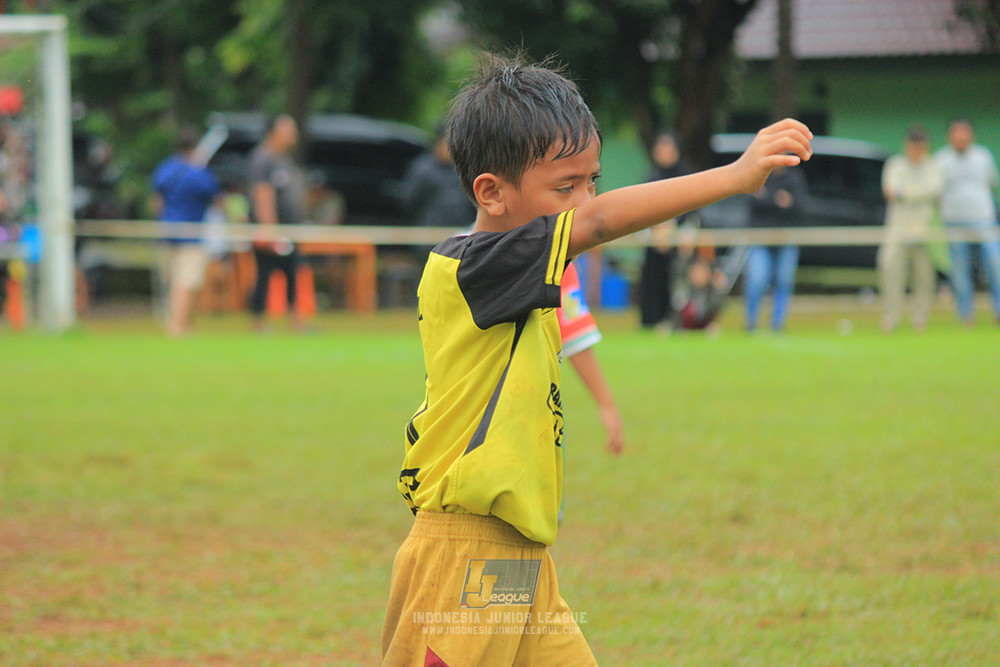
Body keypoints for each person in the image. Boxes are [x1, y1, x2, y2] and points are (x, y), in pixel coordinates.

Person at [380, 51, 812, 666]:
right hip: (466, 553)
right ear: (491, 192)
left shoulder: (524, 276)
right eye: (566, 188)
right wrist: (734, 177)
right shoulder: (475, 265)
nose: (584, 200)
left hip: (521, 557)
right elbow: (602, 222)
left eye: (591, 182)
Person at [151, 124, 221, 336]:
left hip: (166, 232)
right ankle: (177, 326)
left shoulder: (165, 168)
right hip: (191, 235)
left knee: (171, 282)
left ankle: (182, 323)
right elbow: (218, 199)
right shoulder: (199, 172)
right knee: (186, 282)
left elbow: (156, 203)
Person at [878, 126, 945, 332]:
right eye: (913, 145)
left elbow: (935, 190)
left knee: (925, 279)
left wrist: (905, 192)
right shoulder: (895, 164)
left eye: (920, 145)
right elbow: (890, 192)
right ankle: (891, 318)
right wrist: (916, 192)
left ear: (926, 146)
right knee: (890, 272)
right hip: (897, 232)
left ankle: (920, 319)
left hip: (924, 233)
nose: (916, 149)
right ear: (907, 145)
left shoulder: (934, 166)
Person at [935, 118, 1000, 325]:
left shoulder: (983, 156)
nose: (961, 138)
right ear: (950, 136)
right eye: (957, 134)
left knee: (995, 266)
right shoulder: (941, 159)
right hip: (954, 222)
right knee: (960, 272)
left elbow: (992, 185)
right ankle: (966, 316)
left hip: (983, 221)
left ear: (971, 136)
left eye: (965, 134)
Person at [248, 114, 308, 332]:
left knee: (293, 273)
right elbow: (262, 195)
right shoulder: (262, 159)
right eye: (289, 130)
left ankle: (296, 320)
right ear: (274, 132)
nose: (294, 135)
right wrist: (269, 231)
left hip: (290, 230)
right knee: (264, 274)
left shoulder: (284, 159)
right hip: (272, 231)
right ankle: (259, 322)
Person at [558, 261, 625, 456]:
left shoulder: (465, 245)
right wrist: (606, 404)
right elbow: (575, 335)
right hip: (526, 411)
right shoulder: (551, 255)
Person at [742, 164, 808, 332]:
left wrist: (766, 197)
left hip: (786, 239)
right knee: (757, 281)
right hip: (760, 239)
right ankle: (751, 324)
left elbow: (799, 205)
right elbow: (752, 201)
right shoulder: (758, 173)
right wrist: (777, 199)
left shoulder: (794, 177)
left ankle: (778, 325)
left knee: (783, 282)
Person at [401, 123, 478, 262]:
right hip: (428, 240)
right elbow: (409, 201)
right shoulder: (422, 169)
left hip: (461, 238)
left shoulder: (464, 169)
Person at [638, 130, 691, 329]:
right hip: (654, 240)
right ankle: (650, 320)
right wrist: (657, 228)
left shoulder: (685, 174)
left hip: (677, 240)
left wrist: (672, 227)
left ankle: (674, 320)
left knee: (676, 278)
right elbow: (642, 205)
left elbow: (691, 205)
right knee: (652, 278)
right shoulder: (652, 175)